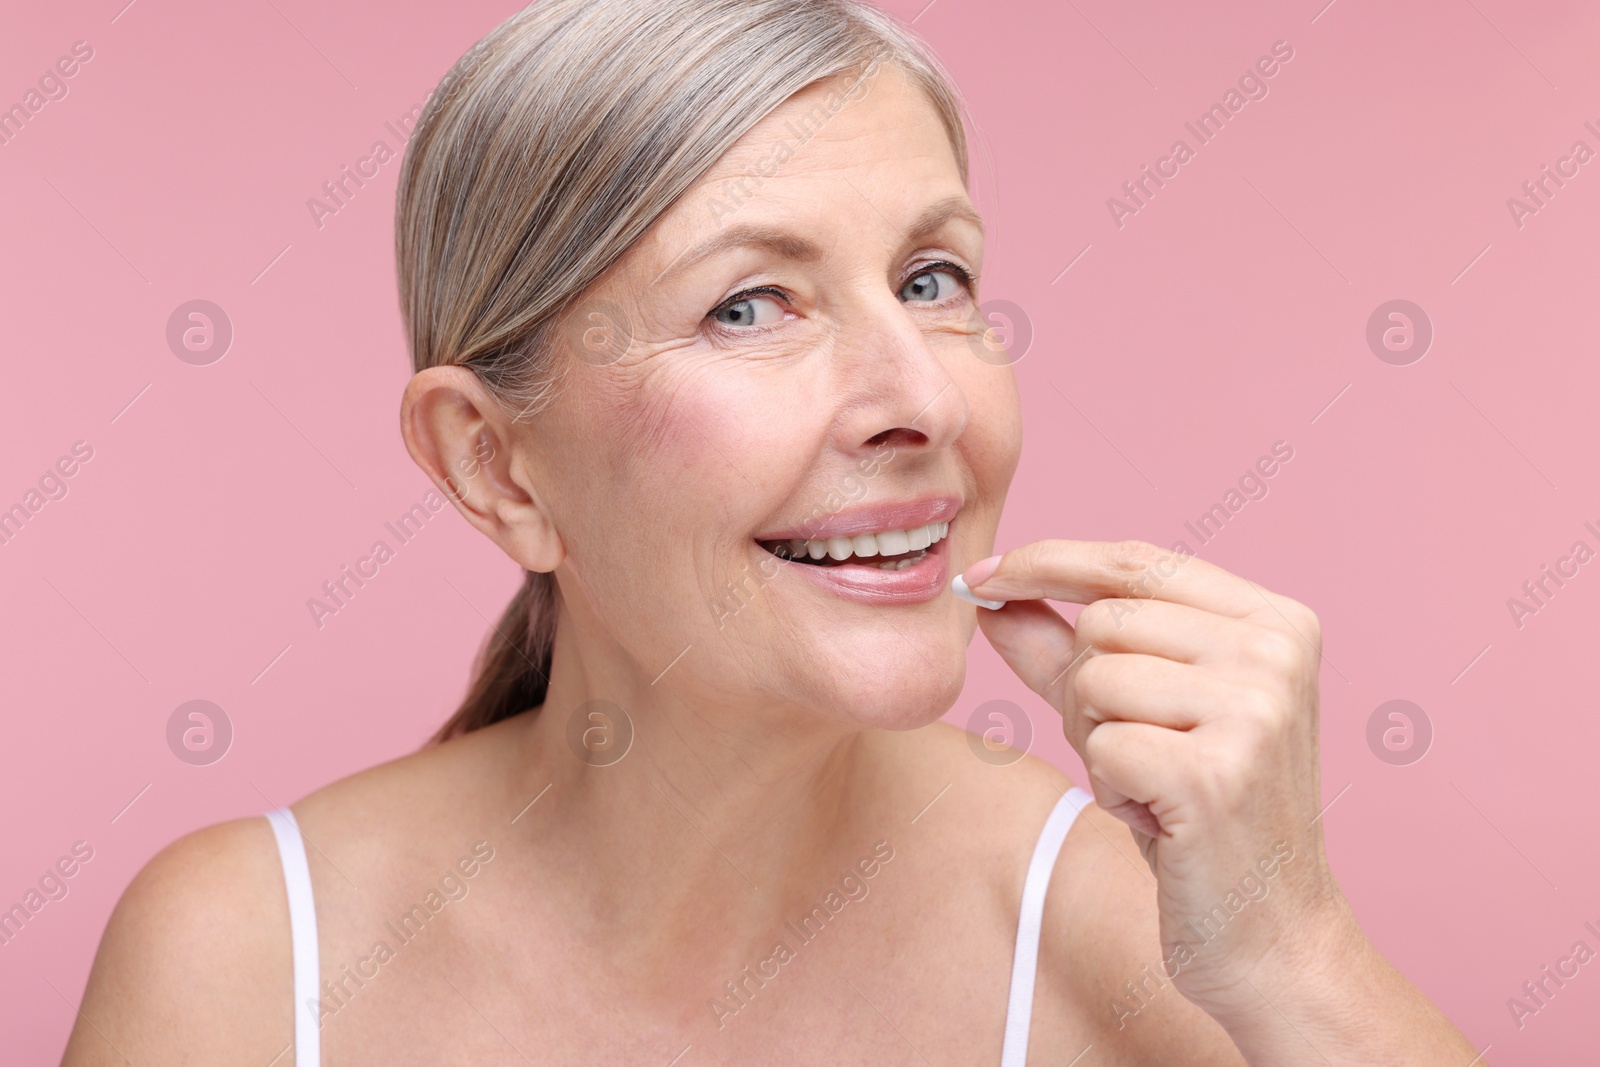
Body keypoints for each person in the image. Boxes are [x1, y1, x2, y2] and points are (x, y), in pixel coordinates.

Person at [62, 0, 1480, 1062]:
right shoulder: (241, 965)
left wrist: (1297, 950)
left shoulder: (1136, 948)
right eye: (751, 305)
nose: (923, 397)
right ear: (495, 466)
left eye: (934, 278)